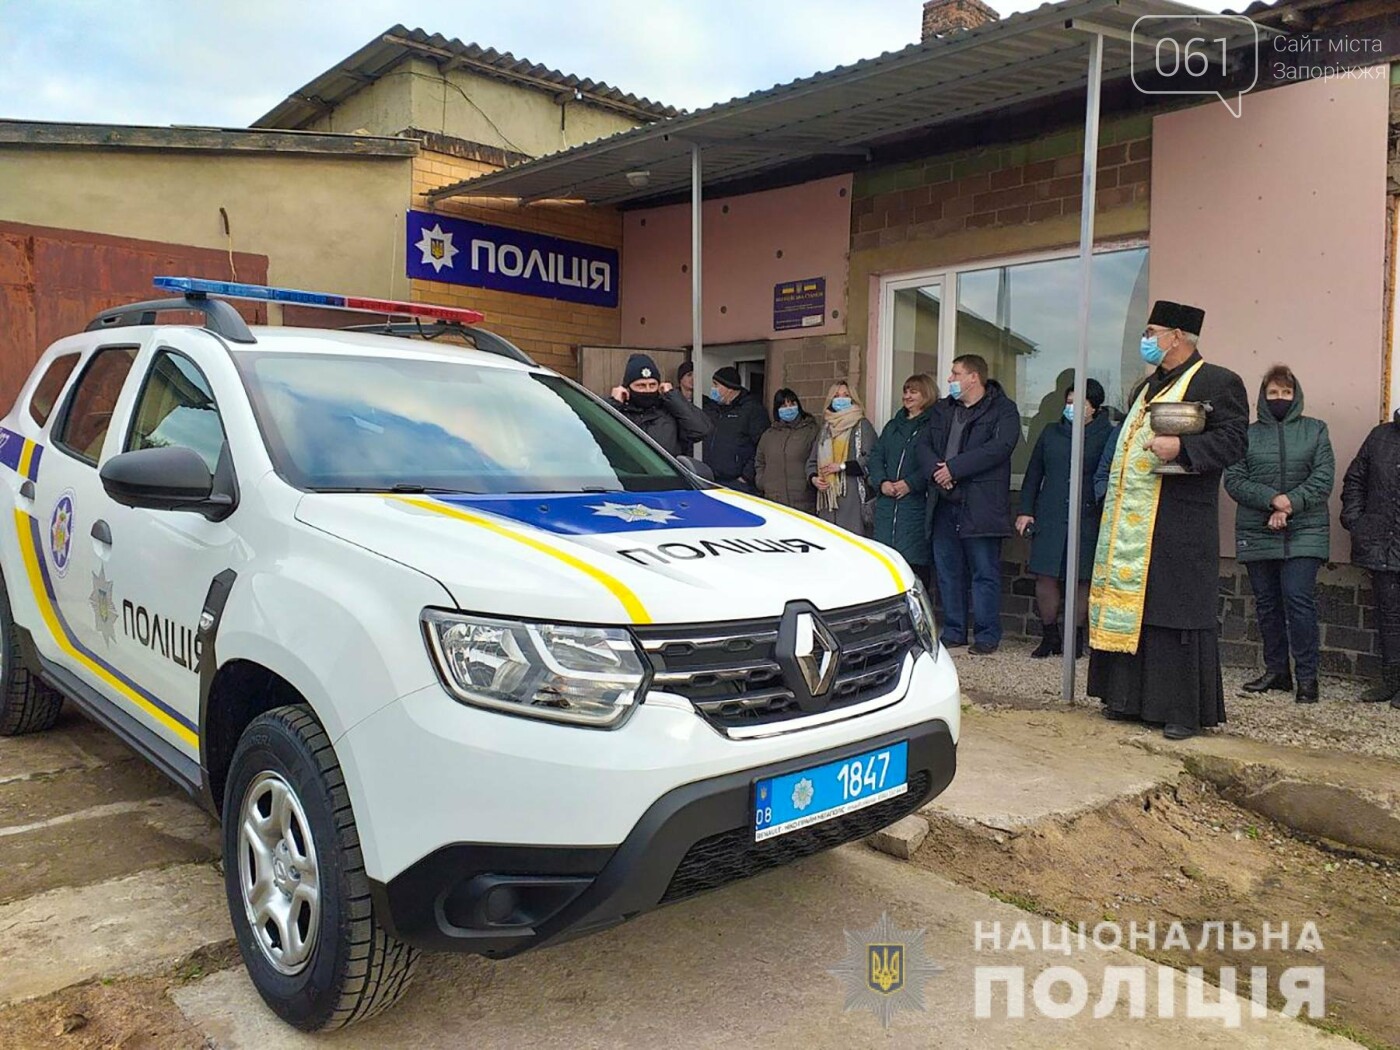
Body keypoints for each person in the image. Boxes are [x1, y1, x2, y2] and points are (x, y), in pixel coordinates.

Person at [1088, 300, 1248, 740]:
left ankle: (1181, 710)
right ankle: (1127, 698)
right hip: (1131, 522)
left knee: (1174, 610)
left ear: (1177, 336)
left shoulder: (1218, 381)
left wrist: (1183, 450)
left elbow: (1235, 442)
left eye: (1152, 330)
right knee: (1139, 609)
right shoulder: (1147, 386)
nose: (1146, 338)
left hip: (1179, 519)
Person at [1224, 366, 1334, 704]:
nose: (1279, 399)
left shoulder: (1315, 430)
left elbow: (1323, 477)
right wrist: (1272, 500)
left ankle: (1307, 678)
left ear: (1296, 395)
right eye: (1273, 393)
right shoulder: (1247, 434)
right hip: (1258, 532)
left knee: (1298, 600)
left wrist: (1289, 504)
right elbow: (1235, 479)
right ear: (1263, 396)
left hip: (1306, 531)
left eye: (1286, 393)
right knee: (1268, 604)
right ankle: (1277, 672)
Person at [916, 354, 1020, 654]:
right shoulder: (942, 410)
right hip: (943, 501)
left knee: (984, 571)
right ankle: (954, 631)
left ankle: (987, 635)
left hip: (981, 503)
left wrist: (955, 469)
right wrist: (939, 473)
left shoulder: (1003, 409)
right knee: (948, 571)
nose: (949, 379)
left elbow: (998, 448)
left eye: (955, 373)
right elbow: (923, 445)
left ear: (973, 377)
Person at [1015, 377, 1114, 659]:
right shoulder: (1051, 433)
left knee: (1082, 579)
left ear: (1094, 406)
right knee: (1045, 576)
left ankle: (1075, 637)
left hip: (1088, 514)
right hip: (1051, 512)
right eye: (1068, 402)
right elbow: (1034, 473)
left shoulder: (1107, 435)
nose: (1071, 407)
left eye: (1078, 403)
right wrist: (1025, 509)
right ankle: (1050, 636)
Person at [1341, 408, 1400, 709]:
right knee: (1388, 616)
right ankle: (1390, 681)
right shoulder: (1381, 436)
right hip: (1382, 544)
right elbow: (1355, 480)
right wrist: (1355, 520)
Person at [867, 374, 938, 588]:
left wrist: (910, 483)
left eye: (913, 392)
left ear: (927, 394)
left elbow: (933, 462)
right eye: (905, 391)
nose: (907, 396)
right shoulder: (893, 426)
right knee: (885, 563)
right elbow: (876, 456)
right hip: (887, 504)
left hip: (915, 505)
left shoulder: (933, 425)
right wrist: (881, 482)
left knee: (914, 564)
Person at [806, 381, 878, 536]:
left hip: (853, 498)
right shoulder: (826, 428)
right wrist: (814, 479)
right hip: (827, 501)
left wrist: (842, 466)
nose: (841, 399)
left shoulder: (862, 425)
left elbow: (872, 458)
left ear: (853, 399)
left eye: (846, 395)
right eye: (836, 396)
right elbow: (812, 461)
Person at [608, 353, 712, 458]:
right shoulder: (619, 412)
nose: (647, 390)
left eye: (652, 385)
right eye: (641, 386)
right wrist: (613, 404)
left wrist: (672, 396)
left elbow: (701, 430)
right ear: (627, 388)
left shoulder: (669, 410)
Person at [702, 366, 769, 491]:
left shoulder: (752, 410)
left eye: (716, 385)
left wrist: (746, 476)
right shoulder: (714, 410)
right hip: (711, 480)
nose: (713, 389)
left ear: (729, 388)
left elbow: (762, 446)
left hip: (737, 483)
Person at [755, 389, 819, 513]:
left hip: (803, 502)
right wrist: (762, 482)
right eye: (784, 405)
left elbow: (817, 460)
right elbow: (760, 461)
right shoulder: (769, 435)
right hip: (774, 501)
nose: (788, 408)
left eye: (792, 404)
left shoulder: (812, 431)